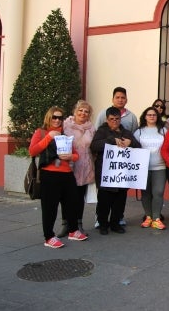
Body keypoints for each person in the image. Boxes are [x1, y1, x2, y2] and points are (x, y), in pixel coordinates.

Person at [30, 107, 87, 248]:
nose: (57, 120)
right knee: (50, 207)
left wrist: (70, 157)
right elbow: (33, 150)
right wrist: (49, 137)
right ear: (48, 117)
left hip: (67, 174)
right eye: (54, 117)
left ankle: (73, 230)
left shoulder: (65, 134)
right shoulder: (41, 132)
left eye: (60, 118)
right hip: (49, 174)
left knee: (72, 203)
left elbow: (75, 154)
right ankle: (49, 237)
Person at [91, 107, 141, 235]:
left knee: (119, 201)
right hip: (106, 173)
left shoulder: (126, 132)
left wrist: (131, 143)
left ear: (120, 119)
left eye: (117, 119)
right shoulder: (102, 131)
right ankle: (103, 224)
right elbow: (94, 145)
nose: (114, 121)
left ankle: (115, 223)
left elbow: (138, 147)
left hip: (122, 175)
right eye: (111, 119)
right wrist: (112, 140)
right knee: (104, 201)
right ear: (107, 119)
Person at [60, 100, 96, 237]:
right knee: (66, 196)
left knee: (79, 197)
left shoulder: (91, 128)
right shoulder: (66, 125)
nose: (83, 113)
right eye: (80, 110)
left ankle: (78, 224)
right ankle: (66, 225)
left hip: (85, 166)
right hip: (69, 165)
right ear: (75, 111)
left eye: (86, 111)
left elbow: (94, 147)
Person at [134, 107, 167, 230]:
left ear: (157, 116)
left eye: (154, 115)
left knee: (158, 192)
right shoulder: (139, 132)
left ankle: (156, 218)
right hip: (143, 168)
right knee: (146, 193)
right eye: (149, 115)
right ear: (145, 116)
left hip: (160, 166)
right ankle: (148, 217)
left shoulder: (163, 130)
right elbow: (134, 148)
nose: (152, 117)